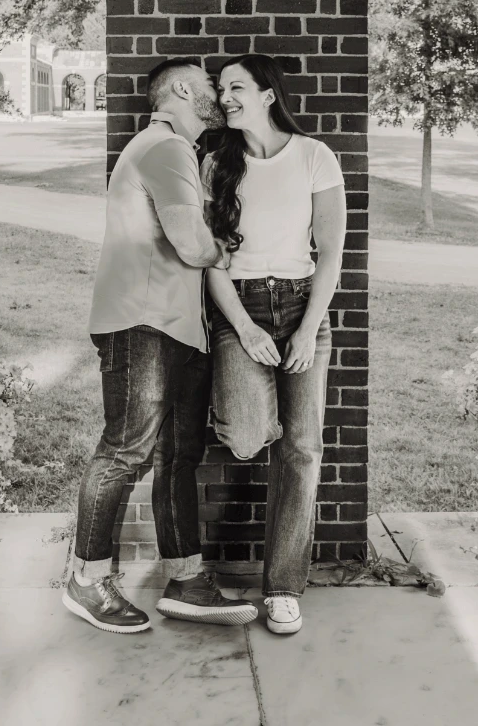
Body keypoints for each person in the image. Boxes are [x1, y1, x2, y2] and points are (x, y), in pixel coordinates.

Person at [62, 58, 260, 634]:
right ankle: (87, 578)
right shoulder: (165, 147)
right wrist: (222, 248)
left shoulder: (178, 154)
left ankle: (187, 579)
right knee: (126, 452)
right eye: (208, 88)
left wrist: (210, 241)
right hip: (142, 324)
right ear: (180, 89)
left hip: (176, 328)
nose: (218, 99)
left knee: (178, 459)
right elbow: (192, 245)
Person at [202, 53, 347, 636]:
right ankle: (263, 417)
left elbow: (333, 253)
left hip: (303, 304)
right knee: (244, 434)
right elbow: (212, 259)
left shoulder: (314, 156)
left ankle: (283, 589)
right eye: (221, 89)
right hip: (243, 307)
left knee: (303, 449)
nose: (225, 97)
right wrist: (244, 326)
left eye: (236, 87)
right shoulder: (217, 163)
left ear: (267, 94)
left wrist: (309, 328)